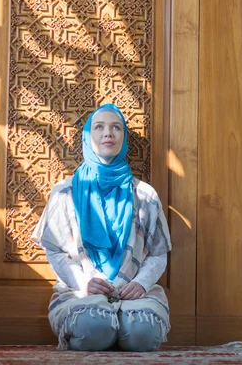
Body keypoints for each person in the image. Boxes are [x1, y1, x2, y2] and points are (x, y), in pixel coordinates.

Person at [31, 103, 171, 351]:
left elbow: (158, 253)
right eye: (99, 127)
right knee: (93, 329)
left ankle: (123, 327)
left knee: (143, 334)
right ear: (88, 136)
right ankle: (108, 328)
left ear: (123, 138)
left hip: (135, 292)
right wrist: (84, 282)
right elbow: (55, 251)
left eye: (116, 127)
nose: (108, 133)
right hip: (80, 291)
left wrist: (141, 284)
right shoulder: (65, 193)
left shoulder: (145, 195)